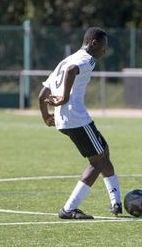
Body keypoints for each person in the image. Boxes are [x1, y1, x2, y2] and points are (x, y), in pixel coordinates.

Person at [38, 27, 122, 219]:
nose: (105, 50)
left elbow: (42, 94)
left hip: (64, 119)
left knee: (104, 151)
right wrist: (65, 97)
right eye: (104, 46)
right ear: (94, 43)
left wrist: (46, 116)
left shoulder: (66, 59)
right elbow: (71, 71)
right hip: (76, 117)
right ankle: (69, 209)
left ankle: (116, 203)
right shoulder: (86, 59)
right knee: (98, 161)